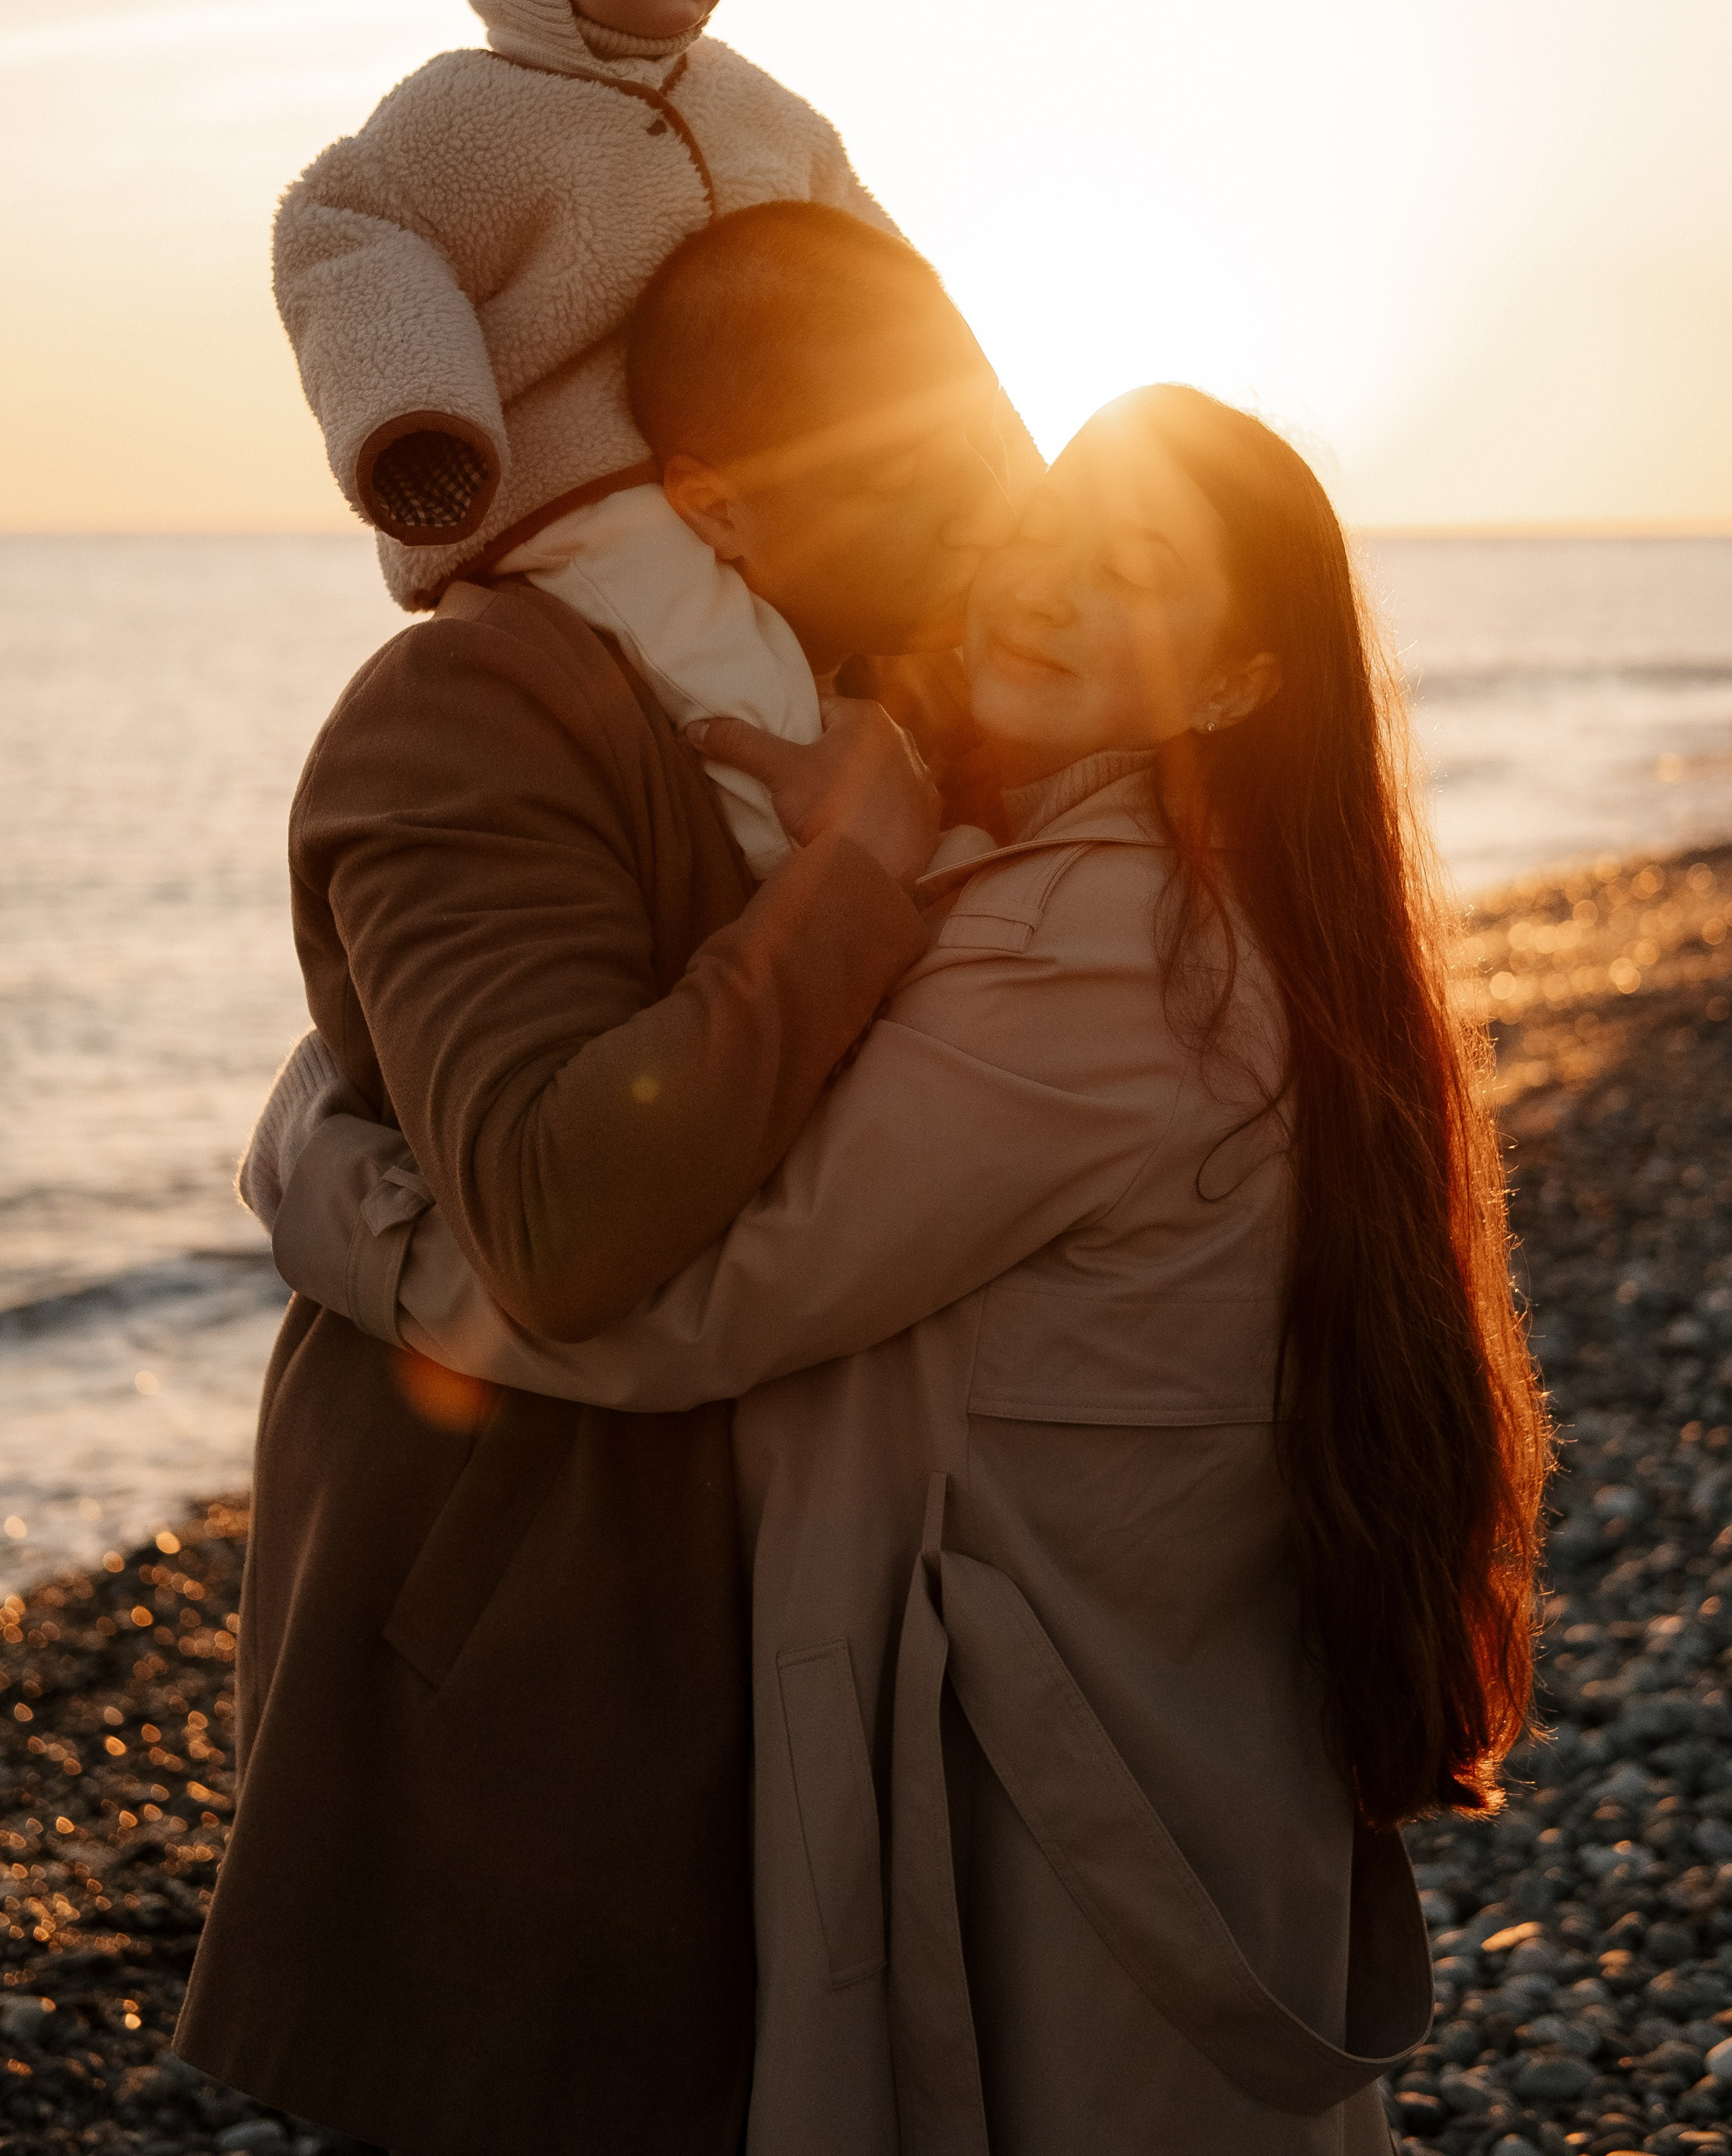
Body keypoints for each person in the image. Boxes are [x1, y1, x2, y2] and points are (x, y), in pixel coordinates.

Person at [270, 388, 1551, 2153]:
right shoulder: (1190, 903)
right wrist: (867, 839)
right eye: (1049, 527)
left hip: (1072, 1819)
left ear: (1234, 681)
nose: (1044, 582)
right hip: (1156, 1744)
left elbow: (682, 1312)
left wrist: (330, 1186)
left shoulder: (1104, 963)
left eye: (1134, 571)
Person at [173, 212, 1016, 2155]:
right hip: (531, 1684)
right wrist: (851, 885)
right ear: (715, 504)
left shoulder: (893, 693)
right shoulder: (477, 713)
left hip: (811, 1635)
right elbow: (559, 1218)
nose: (990, 508)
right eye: (921, 462)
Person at [273, 0, 1032, 874]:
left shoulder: (757, 106)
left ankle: (1003, 819)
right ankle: (827, 870)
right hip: (579, 480)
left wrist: (979, 419)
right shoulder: (468, 116)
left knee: (919, 610)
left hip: (758, 468)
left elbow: (879, 271)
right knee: (730, 667)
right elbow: (343, 229)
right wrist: (419, 421)